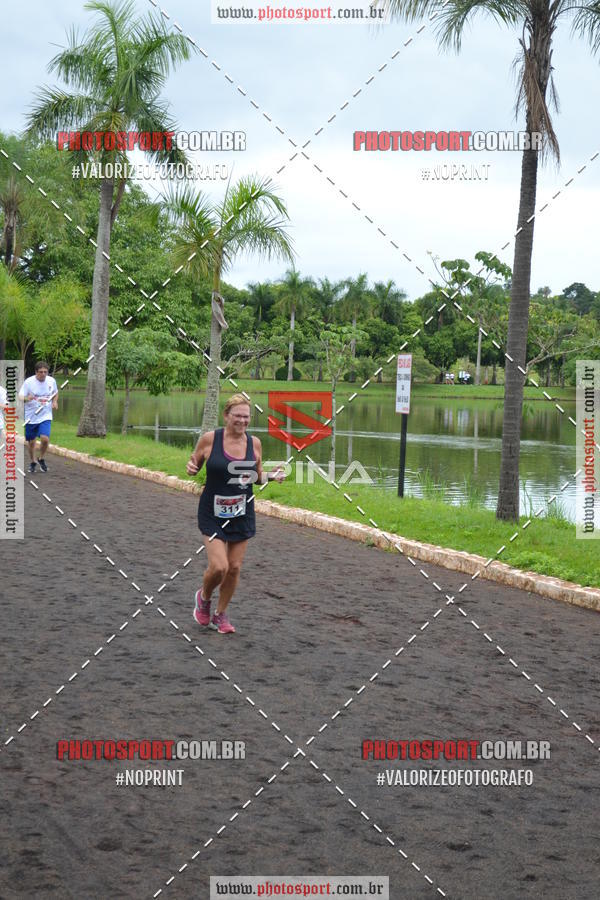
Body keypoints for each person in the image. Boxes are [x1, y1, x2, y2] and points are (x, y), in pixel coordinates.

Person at [186, 394, 285, 634]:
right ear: (226, 416)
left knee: (234, 567)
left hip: (242, 510)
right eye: (237, 416)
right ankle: (205, 597)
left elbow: (255, 475)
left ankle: (220, 614)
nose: (242, 420)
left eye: (246, 416)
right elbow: (195, 464)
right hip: (213, 510)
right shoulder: (211, 439)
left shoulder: (255, 444)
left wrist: (270, 476)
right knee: (219, 566)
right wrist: (190, 468)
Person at [18, 361, 58, 474]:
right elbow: (20, 396)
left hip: (45, 415)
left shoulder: (51, 381)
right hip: (31, 416)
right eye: (41, 372)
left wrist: (55, 402)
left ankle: (41, 458)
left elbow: (55, 393)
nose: (43, 374)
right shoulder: (29, 382)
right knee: (31, 442)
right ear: (36, 372)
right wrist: (27, 398)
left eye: (45, 372)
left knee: (45, 439)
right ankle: (33, 461)